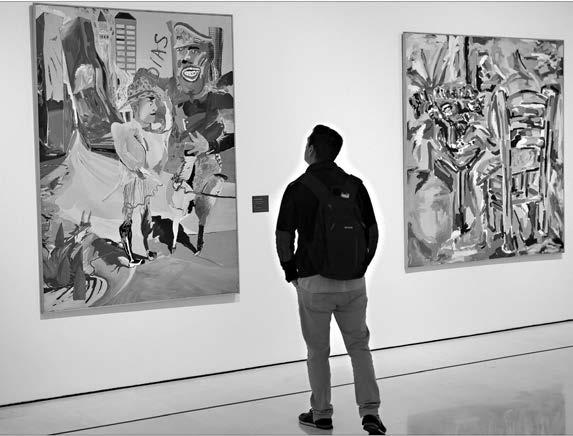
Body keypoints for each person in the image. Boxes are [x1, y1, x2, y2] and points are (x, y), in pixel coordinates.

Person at [275, 125, 386, 435]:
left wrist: (291, 272)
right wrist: (360, 268)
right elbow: (373, 233)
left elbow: (283, 236)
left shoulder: (298, 188)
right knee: (359, 347)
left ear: (311, 150)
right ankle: (370, 412)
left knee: (318, 351)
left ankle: (321, 414)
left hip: (314, 283)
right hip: (354, 284)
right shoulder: (355, 186)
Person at [110, 69, 173, 266]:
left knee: (145, 218)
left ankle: (142, 250)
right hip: (133, 181)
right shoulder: (124, 128)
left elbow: (167, 130)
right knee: (131, 217)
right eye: (150, 102)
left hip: (145, 181)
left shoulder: (152, 132)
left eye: (155, 102)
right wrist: (138, 169)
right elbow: (123, 153)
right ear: (136, 105)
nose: (155, 107)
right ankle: (131, 254)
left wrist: (166, 103)